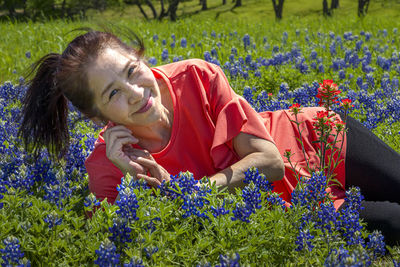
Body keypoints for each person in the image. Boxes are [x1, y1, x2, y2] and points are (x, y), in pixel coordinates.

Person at [18, 30, 400, 245]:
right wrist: (139, 188)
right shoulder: (108, 167)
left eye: (132, 71)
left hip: (314, 139)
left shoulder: (197, 77)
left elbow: (267, 160)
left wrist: (194, 192)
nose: (136, 92)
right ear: (97, 116)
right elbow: (131, 241)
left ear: (140, 56)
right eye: (113, 93)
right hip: (293, 204)